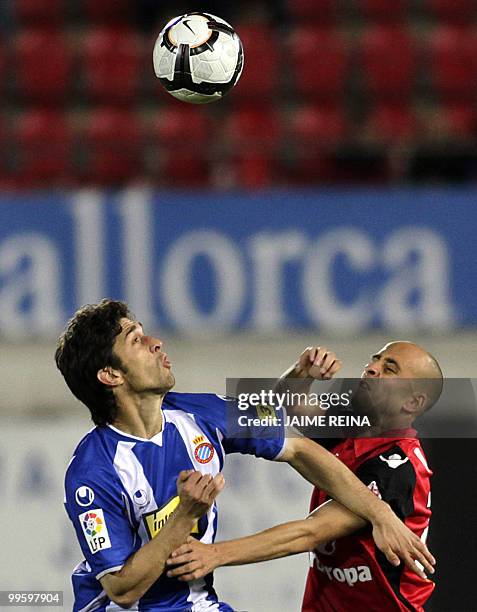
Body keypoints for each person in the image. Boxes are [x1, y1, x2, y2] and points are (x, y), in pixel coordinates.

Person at [56, 300, 435, 611]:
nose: (156, 342)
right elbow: (123, 590)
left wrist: (381, 512)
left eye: (389, 369)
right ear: (110, 375)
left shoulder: (204, 413)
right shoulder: (92, 471)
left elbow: (299, 448)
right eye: (136, 339)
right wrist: (184, 516)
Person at [166, 342, 441, 612]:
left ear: (413, 402)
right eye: (375, 359)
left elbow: (311, 532)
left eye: (389, 369)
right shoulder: (354, 425)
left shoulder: (397, 466)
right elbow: (289, 409)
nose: (371, 368)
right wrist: (302, 373)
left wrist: (214, 554)